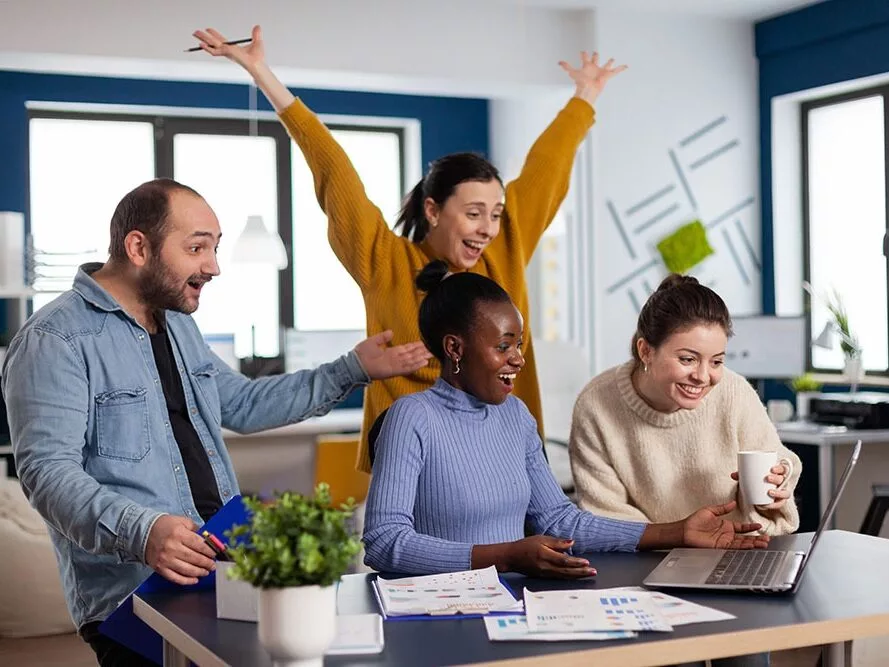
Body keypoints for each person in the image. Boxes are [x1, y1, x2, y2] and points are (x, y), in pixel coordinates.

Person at [1, 178, 431, 667]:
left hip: (227, 565)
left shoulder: (178, 324)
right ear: (138, 247)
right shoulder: (55, 338)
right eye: (197, 247)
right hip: (133, 592)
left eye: (216, 247)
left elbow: (242, 403)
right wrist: (143, 531)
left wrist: (351, 370)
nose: (214, 266)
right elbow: (47, 473)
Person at [191, 25, 628, 473]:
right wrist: (261, 72)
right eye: (474, 213)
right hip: (416, 471)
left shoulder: (505, 250)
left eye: (496, 214)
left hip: (505, 461)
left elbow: (547, 168)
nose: (488, 228)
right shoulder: (385, 261)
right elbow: (335, 172)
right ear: (434, 210)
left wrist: (584, 97)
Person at [361, 261, 769, 578]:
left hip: (511, 601)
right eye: (504, 346)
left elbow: (559, 518)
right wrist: (503, 558)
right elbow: (384, 542)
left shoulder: (516, 417)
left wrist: (677, 532)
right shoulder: (411, 418)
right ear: (455, 348)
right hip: (437, 608)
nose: (518, 359)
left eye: (519, 344)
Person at [569, 274, 802, 536]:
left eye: (716, 362)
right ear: (646, 351)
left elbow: (777, 462)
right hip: (646, 559)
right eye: (688, 359)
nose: (703, 377)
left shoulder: (734, 391)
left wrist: (778, 483)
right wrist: (678, 537)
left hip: (737, 550)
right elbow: (605, 514)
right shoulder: (596, 404)